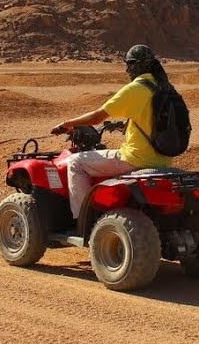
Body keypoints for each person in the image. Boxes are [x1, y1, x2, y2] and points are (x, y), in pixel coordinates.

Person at [50, 44, 175, 220]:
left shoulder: (137, 88)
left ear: (138, 66)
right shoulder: (167, 88)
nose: (127, 69)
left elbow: (97, 117)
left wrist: (67, 124)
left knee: (76, 163)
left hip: (135, 159)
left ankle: (84, 219)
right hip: (164, 160)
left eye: (129, 64)